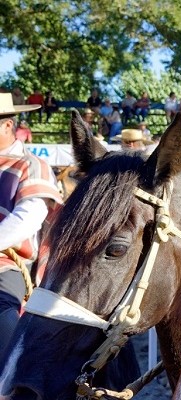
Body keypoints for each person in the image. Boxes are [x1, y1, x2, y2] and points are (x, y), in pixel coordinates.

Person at [0, 93, 62, 352]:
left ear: (7, 125)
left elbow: (28, 218)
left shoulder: (32, 165)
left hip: (7, 266)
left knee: (5, 325)